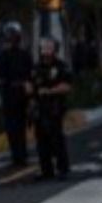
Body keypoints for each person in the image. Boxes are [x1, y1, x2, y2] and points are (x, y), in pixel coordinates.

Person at [33, 38, 72, 181]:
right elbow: (31, 85)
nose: (46, 50)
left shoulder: (61, 66)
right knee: (41, 140)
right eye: (44, 47)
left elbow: (67, 86)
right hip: (39, 108)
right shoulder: (37, 67)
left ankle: (63, 169)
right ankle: (46, 170)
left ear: (55, 49)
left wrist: (49, 91)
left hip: (55, 107)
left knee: (56, 138)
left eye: (49, 48)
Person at [0, 21, 33, 168]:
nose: (12, 38)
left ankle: (21, 155)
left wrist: (30, 94)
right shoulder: (3, 55)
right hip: (9, 93)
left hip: (21, 93)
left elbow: (30, 75)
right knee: (12, 128)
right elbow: (0, 76)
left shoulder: (25, 55)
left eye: (14, 35)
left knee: (20, 126)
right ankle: (16, 156)